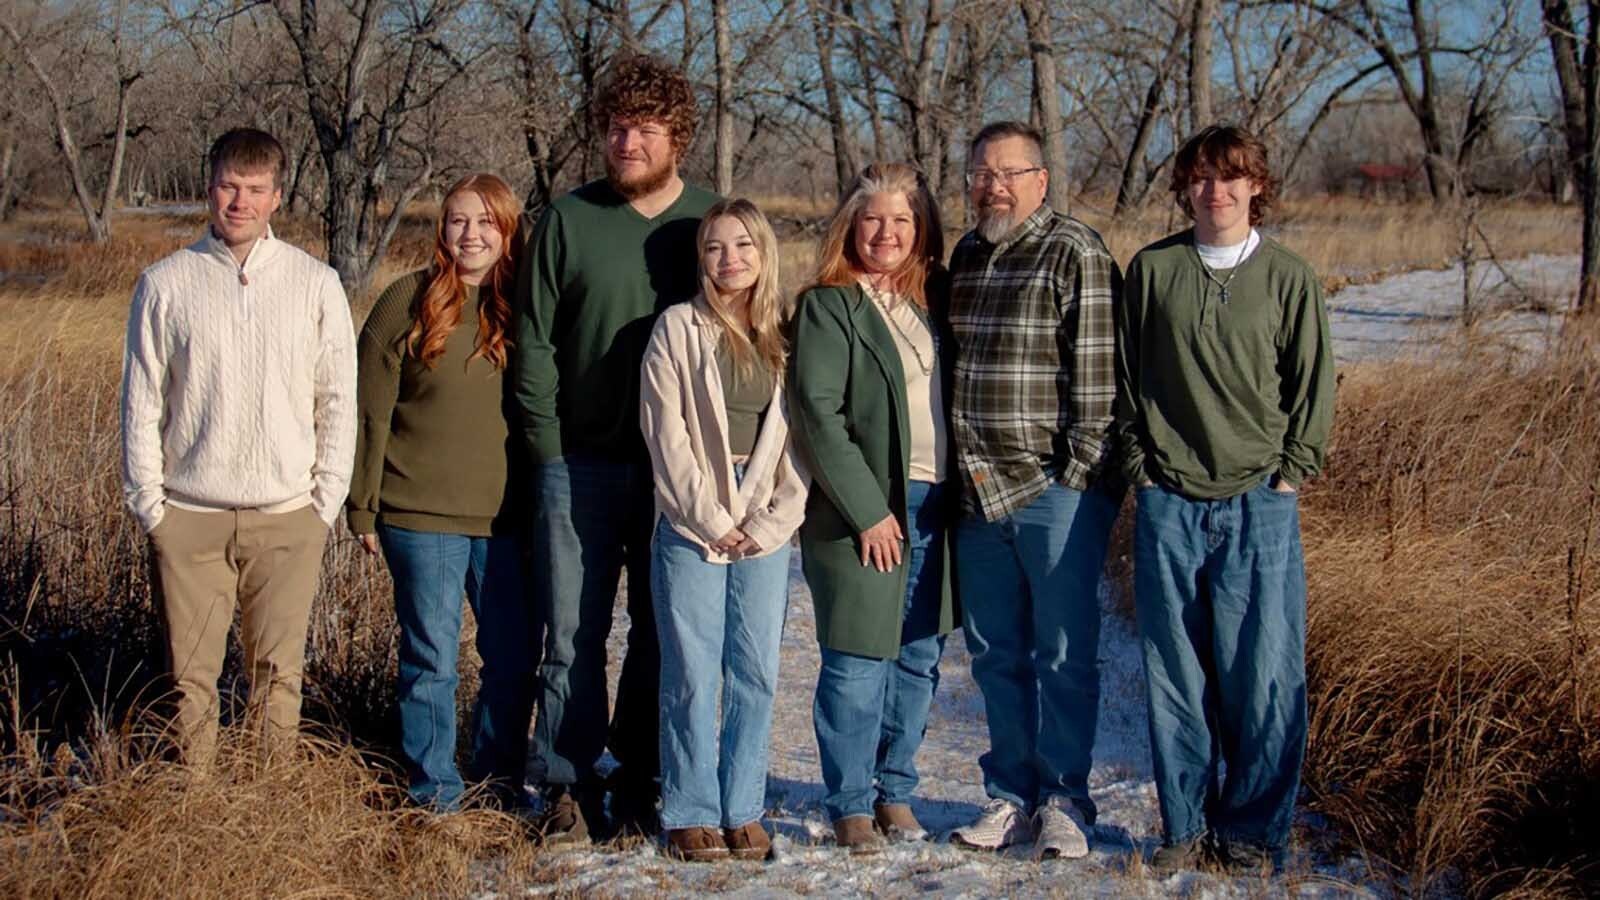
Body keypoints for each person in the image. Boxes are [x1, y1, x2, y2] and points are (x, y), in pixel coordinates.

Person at [513, 53, 720, 842]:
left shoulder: (708, 223)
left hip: (679, 470)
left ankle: (639, 775)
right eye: (615, 126)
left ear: (678, 137)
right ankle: (566, 783)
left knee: (662, 631)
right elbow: (534, 341)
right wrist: (544, 445)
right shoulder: (568, 218)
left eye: (645, 128)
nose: (626, 141)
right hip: (580, 462)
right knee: (571, 632)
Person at [1115, 125, 1333, 873]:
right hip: (1170, 501)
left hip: (1258, 502)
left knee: (1265, 673)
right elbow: (1125, 376)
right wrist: (1141, 465)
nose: (1217, 192)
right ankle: (1183, 824)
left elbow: (1313, 384)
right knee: (1176, 673)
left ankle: (1251, 830)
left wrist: (1292, 469)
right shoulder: (1153, 270)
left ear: (1257, 186)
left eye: (1232, 177)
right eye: (1203, 178)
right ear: (1185, 187)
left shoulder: (1288, 277)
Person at [120, 127, 356, 766]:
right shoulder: (166, 283)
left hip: (287, 518)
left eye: (256, 189)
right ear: (209, 186)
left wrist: (322, 504)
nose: (240, 202)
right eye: (229, 185)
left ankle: (266, 810)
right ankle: (196, 816)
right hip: (189, 516)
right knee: (188, 681)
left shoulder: (315, 283)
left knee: (278, 679)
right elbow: (141, 402)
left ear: (278, 196)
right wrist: (154, 509)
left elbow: (337, 399)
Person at [945, 121, 1123, 859]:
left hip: (1054, 493)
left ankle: (1065, 802)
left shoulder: (1074, 251)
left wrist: (1074, 483)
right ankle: (1009, 796)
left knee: (1064, 653)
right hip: (977, 494)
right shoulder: (965, 254)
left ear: (1041, 180)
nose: (992, 185)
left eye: (1008, 172)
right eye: (980, 173)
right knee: (994, 655)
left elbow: (1100, 385)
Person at [346, 173, 538, 812]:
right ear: (441, 229)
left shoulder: (530, 302)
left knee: (511, 662)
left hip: (508, 519)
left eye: (487, 222)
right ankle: (435, 795)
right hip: (417, 511)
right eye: (458, 220)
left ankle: (497, 782)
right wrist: (362, 507)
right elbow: (369, 412)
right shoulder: (407, 299)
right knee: (431, 662)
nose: (471, 234)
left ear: (508, 229)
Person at [788, 162, 955, 856]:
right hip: (865, 507)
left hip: (938, 502)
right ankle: (851, 803)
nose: (886, 233)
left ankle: (895, 792)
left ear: (922, 230)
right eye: (873, 219)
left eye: (902, 220)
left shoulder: (934, 300)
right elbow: (819, 416)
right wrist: (867, 511)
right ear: (850, 225)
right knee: (857, 659)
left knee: (918, 657)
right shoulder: (828, 304)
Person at [639, 198, 808, 862]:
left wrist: (768, 523)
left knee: (756, 670)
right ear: (700, 258)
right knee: (691, 670)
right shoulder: (676, 329)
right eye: (714, 247)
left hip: (765, 520)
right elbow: (666, 434)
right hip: (691, 518)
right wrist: (710, 518)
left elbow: (800, 440)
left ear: (763, 255)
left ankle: (743, 808)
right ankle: (689, 810)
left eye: (743, 246)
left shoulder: (786, 336)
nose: (729, 258)